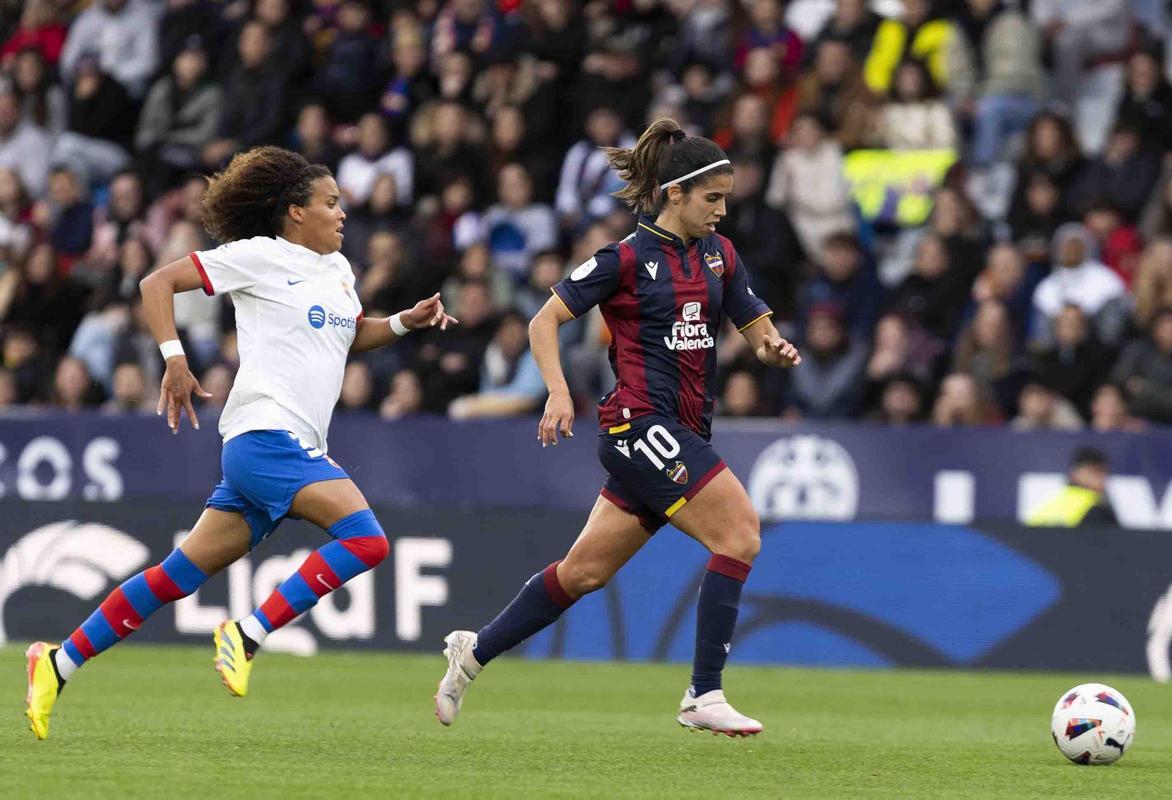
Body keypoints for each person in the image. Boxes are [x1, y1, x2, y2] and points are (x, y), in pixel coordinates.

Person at [23, 146, 457, 740]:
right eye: (331, 203)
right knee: (367, 540)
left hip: (286, 445)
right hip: (264, 435)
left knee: (175, 576)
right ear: (294, 212)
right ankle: (248, 633)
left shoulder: (339, 272)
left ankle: (56, 663)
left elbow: (348, 338)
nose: (342, 214)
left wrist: (406, 321)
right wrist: (174, 361)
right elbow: (157, 284)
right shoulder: (258, 257)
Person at [434, 119, 800, 736]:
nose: (722, 210)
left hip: (685, 432)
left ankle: (469, 657)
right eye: (712, 198)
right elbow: (542, 322)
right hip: (638, 426)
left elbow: (756, 330)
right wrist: (555, 391)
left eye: (727, 198)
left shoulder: (720, 255)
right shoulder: (626, 258)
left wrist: (773, 349)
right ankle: (703, 694)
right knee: (739, 534)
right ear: (674, 193)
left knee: (582, 574)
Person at [1025, 446, 1119, 527]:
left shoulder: (1050, 505)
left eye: (1104, 472)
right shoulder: (1097, 509)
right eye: (1095, 471)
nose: (1101, 478)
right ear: (1075, 473)